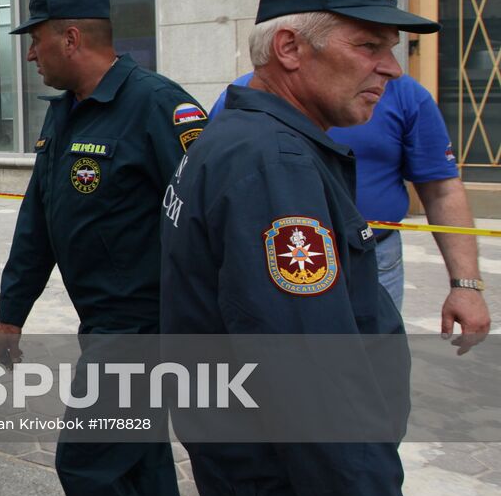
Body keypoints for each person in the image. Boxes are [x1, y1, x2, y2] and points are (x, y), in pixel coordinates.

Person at [161, 0, 456, 496]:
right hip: (296, 492)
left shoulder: (241, 137)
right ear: (289, 48)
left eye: (391, 49)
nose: (392, 68)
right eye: (368, 46)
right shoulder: (275, 162)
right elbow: (311, 380)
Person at [0, 0, 205, 496]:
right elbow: (37, 221)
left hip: (146, 331)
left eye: (36, 38)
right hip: (106, 325)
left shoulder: (159, 105)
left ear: (70, 38)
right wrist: (12, 312)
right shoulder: (64, 112)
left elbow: (212, 219)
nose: (31, 52)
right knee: (140, 461)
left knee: (86, 464)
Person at [209, 72, 490, 344]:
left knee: (376, 363)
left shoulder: (405, 94)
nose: (390, 64)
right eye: (367, 44)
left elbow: (442, 190)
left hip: (376, 256)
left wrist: (466, 287)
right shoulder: (248, 93)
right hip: (280, 260)